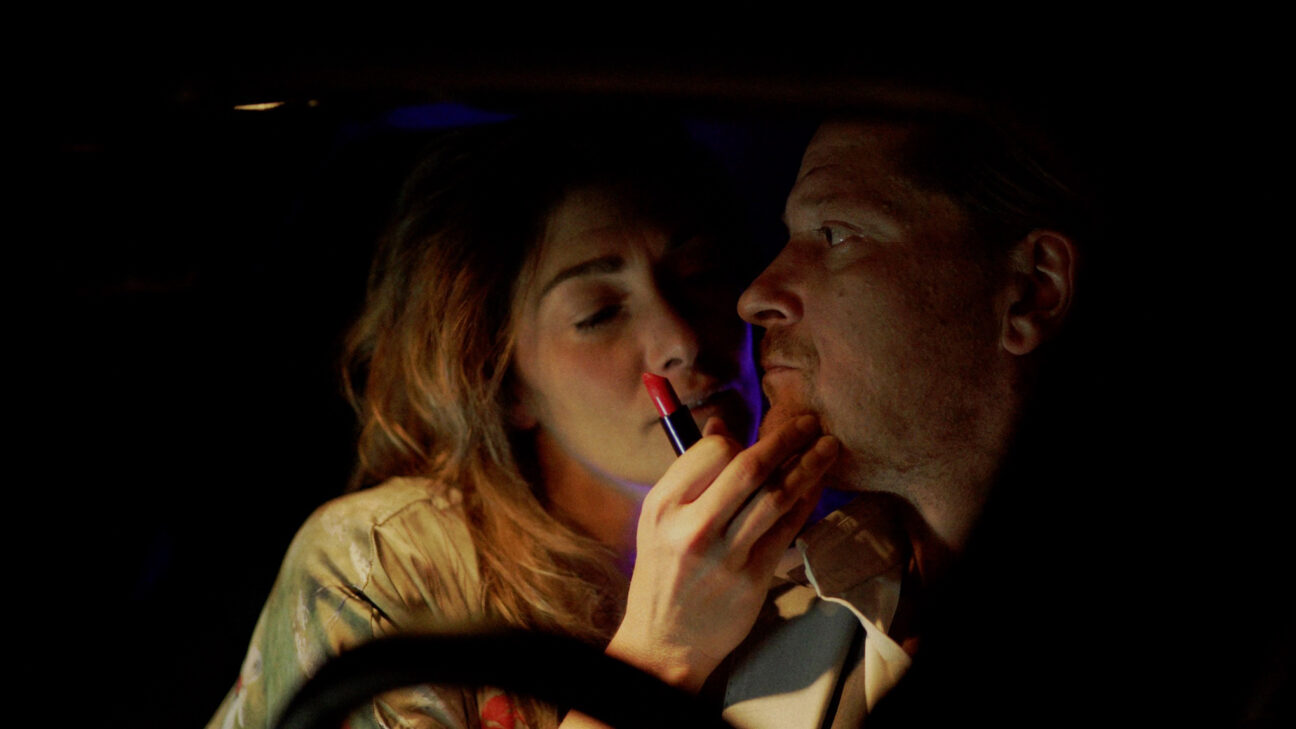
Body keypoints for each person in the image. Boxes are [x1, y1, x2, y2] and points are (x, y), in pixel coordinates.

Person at [205, 114, 841, 729]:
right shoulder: (382, 562)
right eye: (598, 313)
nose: (681, 339)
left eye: (700, 275)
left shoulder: (823, 558)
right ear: (504, 381)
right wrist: (662, 647)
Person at [708, 108, 1087, 728]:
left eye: (835, 234)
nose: (755, 297)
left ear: (1030, 289)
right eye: (788, 237)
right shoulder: (748, 620)